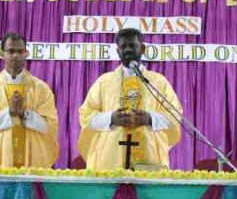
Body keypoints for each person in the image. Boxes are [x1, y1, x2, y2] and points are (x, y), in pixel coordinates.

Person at [78, 28, 182, 170]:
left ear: (142, 48)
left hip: (149, 156)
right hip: (111, 157)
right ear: (118, 51)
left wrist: (150, 118)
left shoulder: (158, 82)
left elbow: (175, 114)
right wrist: (111, 118)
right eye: (123, 46)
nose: (127, 49)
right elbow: (86, 115)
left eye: (132, 45)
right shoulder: (104, 82)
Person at [0, 32, 59, 168]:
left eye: (20, 51)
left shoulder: (41, 89)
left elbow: (49, 127)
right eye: (10, 51)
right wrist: (8, 113)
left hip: (33, 163)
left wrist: (24, 114)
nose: (15, 55)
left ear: (26, 54)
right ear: (2, 54)